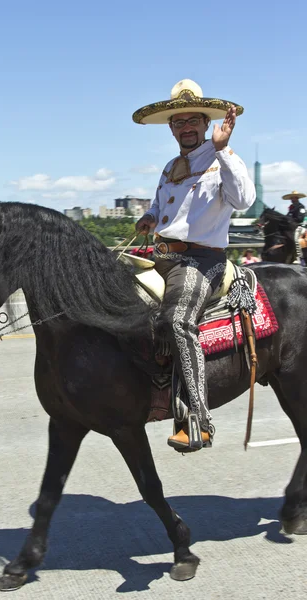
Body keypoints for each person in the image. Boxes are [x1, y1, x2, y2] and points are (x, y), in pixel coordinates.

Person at [133, 79, 256, 452]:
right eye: (178, 122)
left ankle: (198, 420)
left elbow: (245, 200)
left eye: (192, 121)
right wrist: (150, 218)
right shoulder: (171, 166)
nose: (185, 127)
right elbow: (161, 205)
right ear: (171, 128)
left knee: (177, 319)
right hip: (164, 255)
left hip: (202, 259)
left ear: (205, 124)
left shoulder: (221, 161)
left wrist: (225, 152)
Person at [282, 190, 306, 263]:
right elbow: (287, 216)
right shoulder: (291, 207)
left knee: (295, 239)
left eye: (293, 198)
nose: (292, 199)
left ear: (297, 198)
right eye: (291, 198)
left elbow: (300, 218)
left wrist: (290, 220)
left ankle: (298, 257)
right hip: (290, 226)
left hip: (299, 226)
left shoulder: (301, 207)